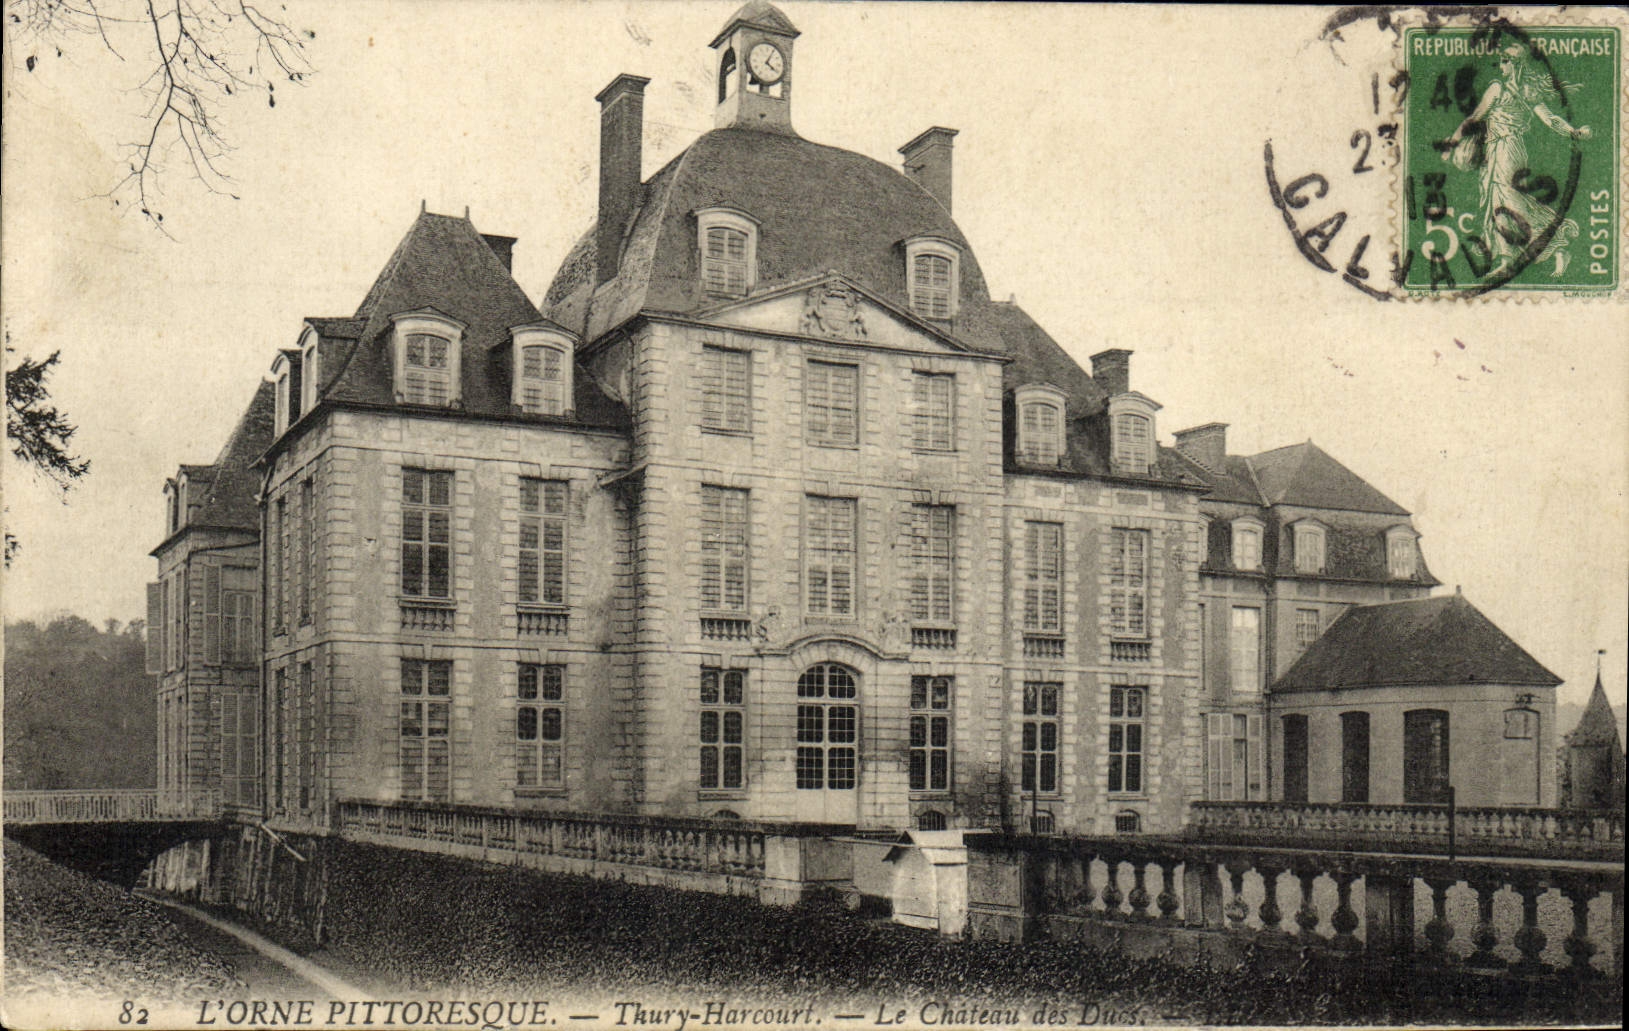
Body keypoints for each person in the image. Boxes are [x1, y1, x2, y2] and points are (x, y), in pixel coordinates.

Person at [1443, 44, 1590, 278]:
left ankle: (1507, 259)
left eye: (1505, 61)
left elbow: (1549, 119)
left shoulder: (1507, 89)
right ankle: (1556, 248)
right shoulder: (1513, 89)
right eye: (1501, 61)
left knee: (1506, 200)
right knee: (1507, 200)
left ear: (1517, 64)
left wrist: (1573, 132)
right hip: (1497, 151)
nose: (1501, 66)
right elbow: (1475, 118)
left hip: (1507, 150)